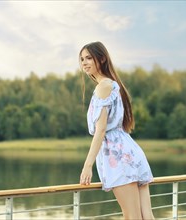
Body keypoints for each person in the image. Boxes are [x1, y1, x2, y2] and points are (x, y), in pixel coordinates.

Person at [79, 41, 155, 220]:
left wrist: (87, 165)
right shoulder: (112, 85)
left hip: (118, 156)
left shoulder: (104, 86)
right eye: (82, 59)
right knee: (146, 216)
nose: (84, 62)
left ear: (102, 58)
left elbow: (101, 130)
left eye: (89, 58)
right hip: (129, 151)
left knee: (132, 216)